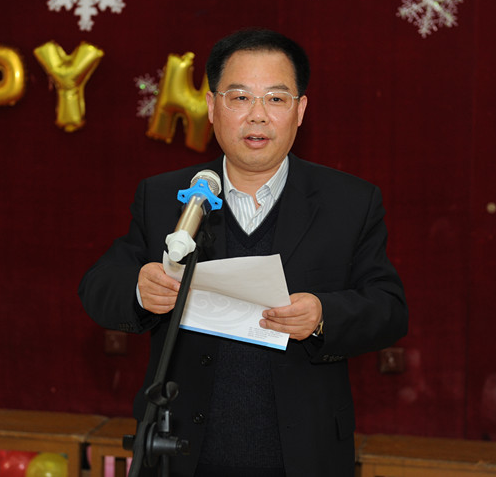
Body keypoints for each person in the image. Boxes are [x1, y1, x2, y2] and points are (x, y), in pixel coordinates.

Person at [79, 28, 408, 477]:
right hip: (182, 456)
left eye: (276, 99)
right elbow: (98, 286)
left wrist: (322, 315)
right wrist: (140, 291)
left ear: (300, 110)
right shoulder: (166, 196)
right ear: (212, 107)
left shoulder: (349, 202)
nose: (257, 115)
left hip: (303, 458)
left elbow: (389, 309)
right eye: (239, 97)